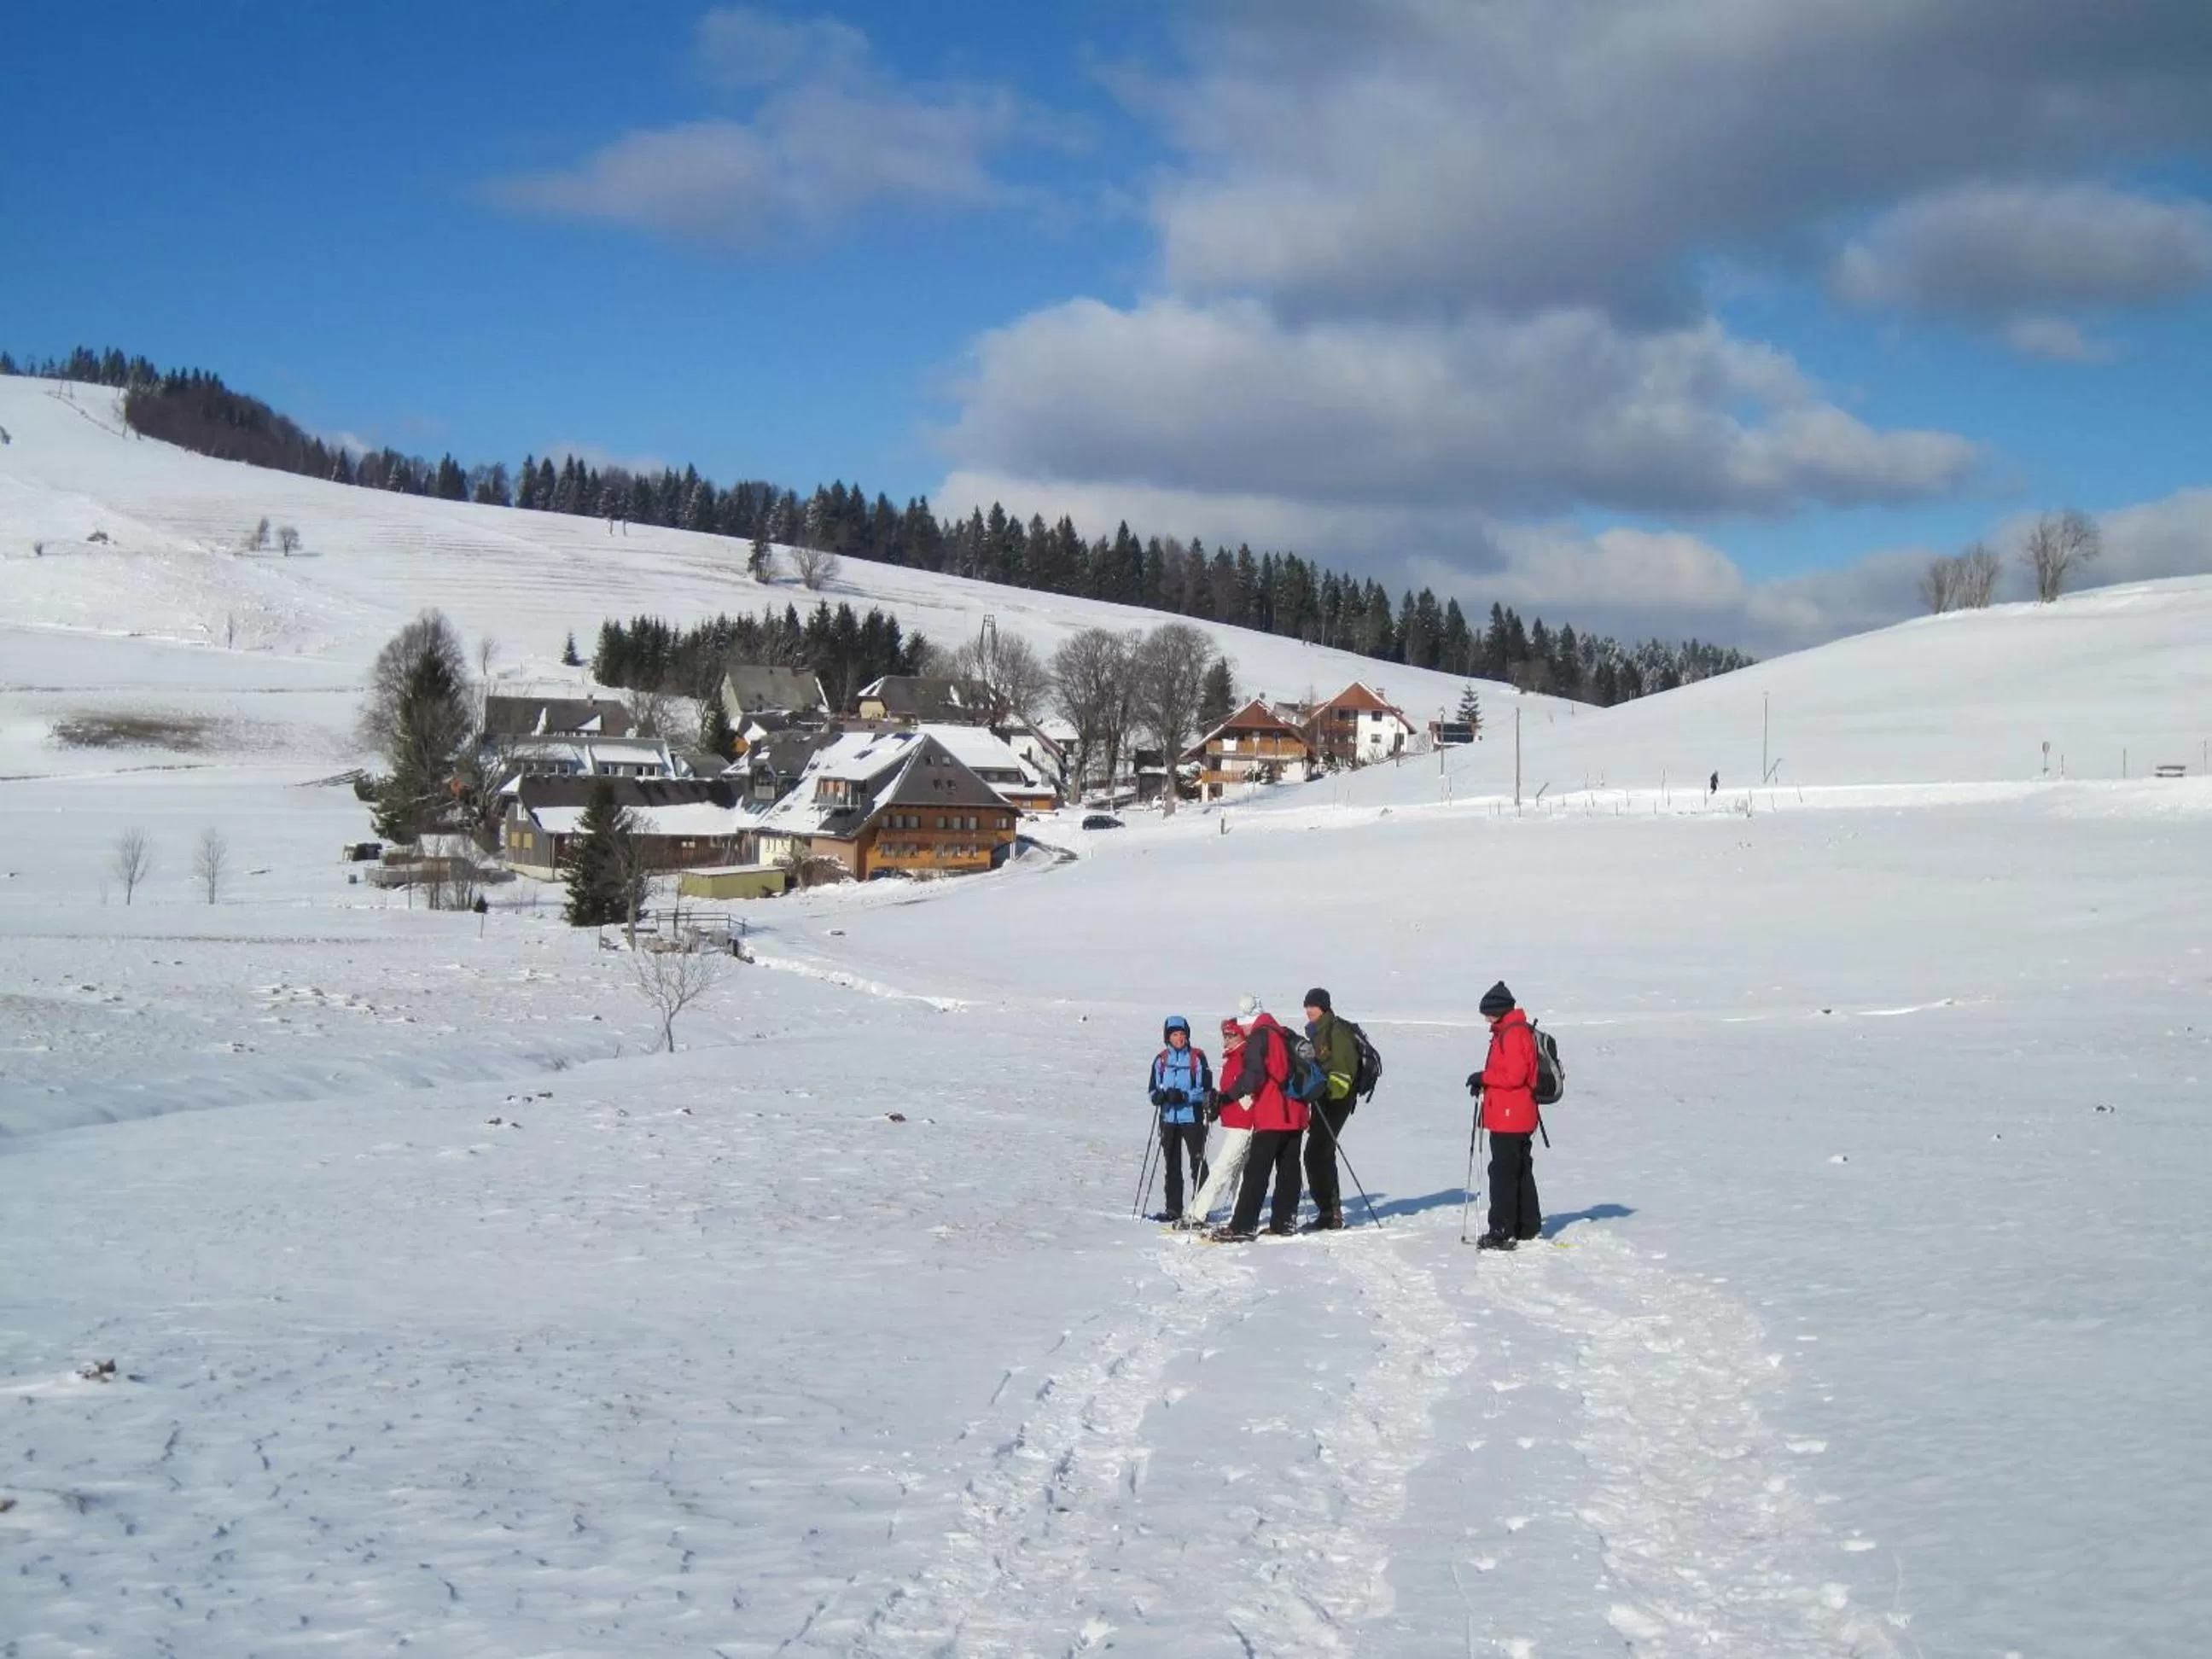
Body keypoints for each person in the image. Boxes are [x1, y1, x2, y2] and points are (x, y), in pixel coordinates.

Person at [1210, 995, 1309, 1242]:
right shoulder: (1284, 1033)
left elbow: (1253, 1075)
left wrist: (1227, 1096)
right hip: (1295, 1112)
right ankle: (1284, 1222)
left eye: (1243, 1024)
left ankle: (1243, 1225)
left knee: (1257, 1170)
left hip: (1273, 1112)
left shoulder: (1259, 1037)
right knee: (1289, 1167)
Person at [1466, 980, 1542, 1249]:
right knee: (1518, 1169)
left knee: (1503, 1173)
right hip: (1515, 1113)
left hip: (1511, 1115)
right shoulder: (1509, 1031)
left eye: (1487, 1012)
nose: (1486, 1018)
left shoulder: (1513, 1033)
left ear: (1498, 1010)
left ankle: (1501, 1229)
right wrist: (1484, 1082)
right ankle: (1527, 1226)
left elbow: (1514, 1075)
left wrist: (1484, 1076)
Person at [1179, 1018, 1253, 1231]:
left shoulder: (1245, 1056)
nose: (1227, 1039)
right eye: (1225, 1035)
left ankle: (1196, 1214)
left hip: (1244, 1122)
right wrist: (1217, 1104)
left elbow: (1248, 1088)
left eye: (1232, 1035)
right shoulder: (1232, 1058)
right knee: (1239, 1171)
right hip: (1234, 1121)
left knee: (1222, 1167)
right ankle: (1240, 1216)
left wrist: (1233, 1102)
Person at [1300, 987, 1359, 1231]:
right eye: (1307, 1006)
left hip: (1336, 1101)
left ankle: (1330, 1212)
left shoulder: (1337, 1031)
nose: (1308, 1011)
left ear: (1323, 1007)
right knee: (1318, 1153)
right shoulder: (1317, 1031)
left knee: (1317, 1153)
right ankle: (1328, 1211)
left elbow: (1344, 1072)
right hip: (1323, 1100)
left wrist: (1328, 1092)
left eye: (1312, 1006)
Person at [1146, 1015, 1214, 1224]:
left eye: (1182, 1034)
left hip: (1191, 1118)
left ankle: (1201, 1208)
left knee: (1198, 1163)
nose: (1179, 1039)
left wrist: (1185, 1096)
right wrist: (1158, 1096)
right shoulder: (1161, 1060)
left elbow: (1206, 1091)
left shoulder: (1196, 1058)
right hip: (1168, 1118)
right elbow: (1152, 1090)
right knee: (1172, 1165)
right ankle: (1173, 1208)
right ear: (1168, 1037)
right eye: (1175, 1035)